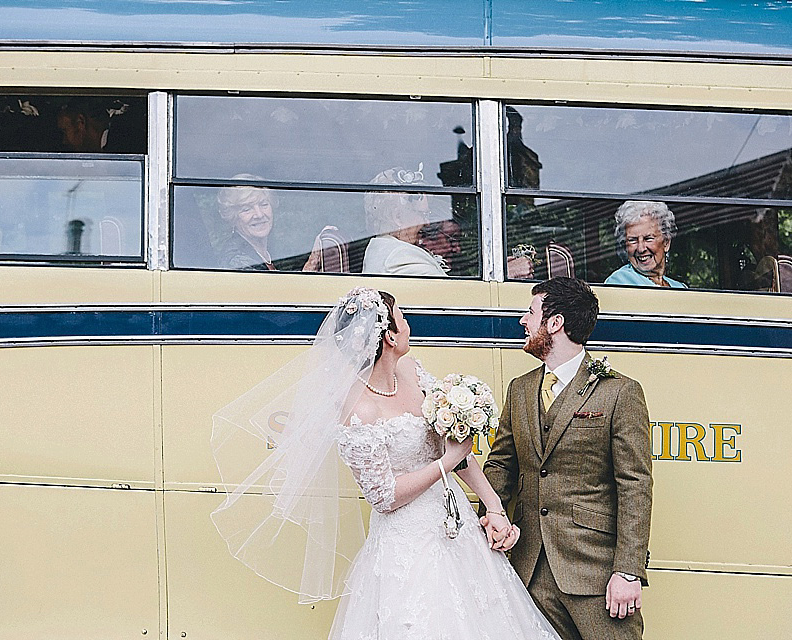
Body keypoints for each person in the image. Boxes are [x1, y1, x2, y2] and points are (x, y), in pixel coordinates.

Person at [211, 286, 564, 639]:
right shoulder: (357, 408)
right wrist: (446, 464)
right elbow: (385, 497)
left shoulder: (412, 371)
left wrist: (494, 508)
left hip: (458, 527)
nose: (409, 326)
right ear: (390, 336)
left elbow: (455, 446)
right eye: (403, 319)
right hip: (407, 542)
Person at [482, 276, 653, 640]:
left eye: (530, 312)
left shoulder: (620, 392)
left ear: (555, 322)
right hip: (528, 570)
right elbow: (501, 465)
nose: (523, 322)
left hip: (596, 574)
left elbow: (635, 485)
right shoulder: (520, 389)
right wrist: (490, 515)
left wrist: (628, 571)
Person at [362, 166, 534, 278]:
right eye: (422, 214)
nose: (427, 222)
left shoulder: (382, 248)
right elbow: (448, 299)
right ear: (397, 217)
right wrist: (504, 275)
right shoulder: (399, 257)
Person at [216, 174, 328, 272]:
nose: (259, 214)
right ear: (232, 216)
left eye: (264, 204)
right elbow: (270, 295)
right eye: (247, 209)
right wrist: (311, 265)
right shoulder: (236, 261)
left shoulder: (273, 251)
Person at [605, 200, 686, 288]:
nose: (641, 249)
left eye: (648, 239)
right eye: (633, 240)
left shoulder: (680, 287)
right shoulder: (619, 281)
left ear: (666, 242)